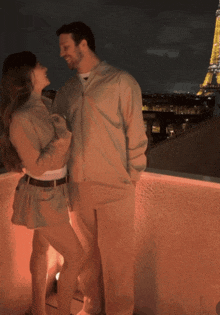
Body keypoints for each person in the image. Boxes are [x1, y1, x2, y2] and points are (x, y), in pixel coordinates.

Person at [53, 22, 148, 315]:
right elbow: (58, 139)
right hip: (78, 189)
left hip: (114, 188)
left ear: (83, 45)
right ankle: (92, 307)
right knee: (86, 260)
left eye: (65, 47)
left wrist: (128, 179)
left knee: (118, 261)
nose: (61, 54)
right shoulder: (66, 92)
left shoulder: (121, 82)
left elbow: (137, 135)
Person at [0, 51, 84, 315]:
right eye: (39, 65)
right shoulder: (21, 118)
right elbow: (35, 165)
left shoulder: (44, 105)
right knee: (76, 256)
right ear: (27, 76)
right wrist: (62, 138)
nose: (45, 66)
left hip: (54, 192)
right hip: (43, 196)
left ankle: (38, 309)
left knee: (40, 248)